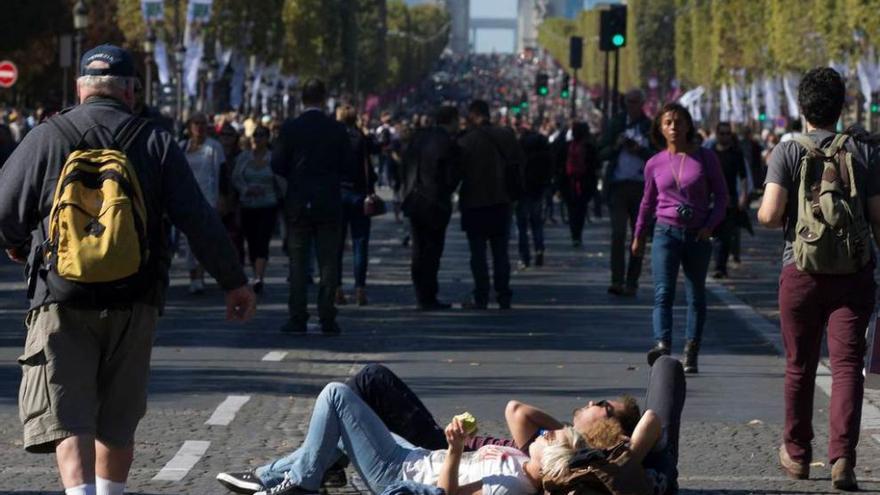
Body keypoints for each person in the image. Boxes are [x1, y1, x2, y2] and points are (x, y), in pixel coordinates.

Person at [0, 44, 255, 495]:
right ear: (131, 92)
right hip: (134, 297)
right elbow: (197, 217)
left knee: (69, 415)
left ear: (80, 89)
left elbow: (4, 209)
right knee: (117, 420)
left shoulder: (47, 136)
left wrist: (20, 246)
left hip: (61, 296)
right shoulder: (153, 141)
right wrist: (234, 282)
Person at [217, 360, 681, 495]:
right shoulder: (538, 457)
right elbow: (520, 413)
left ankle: (295, 480)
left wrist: (457, 449)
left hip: (409, 468)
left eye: (602, 405)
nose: (546, 436)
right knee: (355, 399)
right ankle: (278, 477)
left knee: (340, 395)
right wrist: (568, 435)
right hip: (420, 456)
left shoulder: (520, 484)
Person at [758, 67, 880, 491]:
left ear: (802, 107)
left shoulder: (787, 151)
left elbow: (771, 215)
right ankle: (842, 457)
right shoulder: (864, 152)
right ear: (841, 105)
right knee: (847, 367)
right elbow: (879, 218)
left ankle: (796, 452)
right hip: (853, 272)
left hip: (802, 268)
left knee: (799, 366)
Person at [632, 102, 728, 374]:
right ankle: (662, 345)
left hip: (698, 234)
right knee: (663, 292)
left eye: (678, 122)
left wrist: (710, 225)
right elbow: (647, 204)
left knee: (696, 293)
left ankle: (692, 349)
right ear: (660, 129)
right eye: (668, 123)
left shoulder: (706, 157)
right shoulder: (654, 163)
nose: (674, 127)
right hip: (665, 232)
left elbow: (721, 196)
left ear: (688, 125)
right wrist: (639, 234)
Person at [272, 79, 351, 335]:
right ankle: (327, 316)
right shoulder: (337, 129)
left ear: (302, 98)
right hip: (328, 202)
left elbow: (277, 164)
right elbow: (347, 165)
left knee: (298, 264)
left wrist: (296, 179)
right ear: (324, 98)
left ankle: (298, 316)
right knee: (329, 263)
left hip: (297, 203)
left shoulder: (291, 128)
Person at [458, 100, 526, 310]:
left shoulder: (466, 140)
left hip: (474, 202)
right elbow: (519, 163)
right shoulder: (506, 135)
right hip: (501, 200)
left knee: (477, 254)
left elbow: (458, 171)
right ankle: (503, 294)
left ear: (474, 115)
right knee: (501, 252)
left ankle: (481, 295)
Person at [401, 105, 462, 310]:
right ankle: (429, 294)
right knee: (433, 250)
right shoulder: (447, 143)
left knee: (418, 249)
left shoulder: (418, 138)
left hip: (414, 198)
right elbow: (452, 175)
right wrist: (447, 191)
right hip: (435, 201)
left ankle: (421, 293)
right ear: (452, 120)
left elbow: (405, 165)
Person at [600, 90, 654, 297]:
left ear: (642, 103)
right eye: (628, 102)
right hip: (618, 186)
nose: (631, 105)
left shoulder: (649, 127)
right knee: (618, 234)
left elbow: (658, 157)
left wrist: (639, 149)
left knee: (638, 235)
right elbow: (600, 151)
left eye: (635, 102)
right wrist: (616, 146)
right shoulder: (616, 124)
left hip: (642, 187)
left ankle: (632, 281)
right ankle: (617, 280)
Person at [179, 112, 227, 294]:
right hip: (186, 200)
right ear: (190, 126)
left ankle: (200, 276)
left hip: (208, 199)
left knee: (204, 239)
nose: (199, 127)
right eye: (196, 123)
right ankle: (192, 275)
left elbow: (222, 173)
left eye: (203, 123)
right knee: (188, 240)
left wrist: (222, 197)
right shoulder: (182, 147)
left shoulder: (214, 147)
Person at [335, 104, 378, 306]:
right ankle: (360, 288)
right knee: (360, 244)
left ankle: (337, 288)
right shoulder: (361, 139)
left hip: (337, 195)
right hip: (359, 195)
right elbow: (370, 167)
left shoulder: (333, 140)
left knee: (336, 244)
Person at [233, 125, 280, 294]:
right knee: (251, 242)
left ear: (267, 139)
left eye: (261, 135)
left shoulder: (273, 158)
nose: (257, 138)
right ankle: (255, 272)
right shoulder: (244, 157)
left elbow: (280, 180)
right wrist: (246, 189)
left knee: (262, 240)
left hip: (268, 206)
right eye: (255, 135)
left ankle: (259, 276)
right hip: (248, 206)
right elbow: (236, 178)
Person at [710, 122, 749, 279]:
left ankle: (721, 266)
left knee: (725, 235)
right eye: (722, 133)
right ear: (717, 134)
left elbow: (743, 176)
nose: (725, 136)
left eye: (728, 133)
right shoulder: (710, 153)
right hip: (711, 199)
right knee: (714, 234)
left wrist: (743, 196)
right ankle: (717, 263)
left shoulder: (736, 153)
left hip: (730, 198)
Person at [514, 120, 552, 269]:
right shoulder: (543, 151)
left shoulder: (521, 149)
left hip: (522, 190)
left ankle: (525, 257)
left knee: (522, 226)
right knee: (537, 223)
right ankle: (539, 249)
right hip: (538, 189)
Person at [564, 122, 599, 248]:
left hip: (569, 183)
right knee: (581, 209)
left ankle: (575, 234)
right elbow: (595, 165)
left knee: (572, 210)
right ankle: (577, 235)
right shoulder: (589, 146)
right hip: (584, 183)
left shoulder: (567, 146)